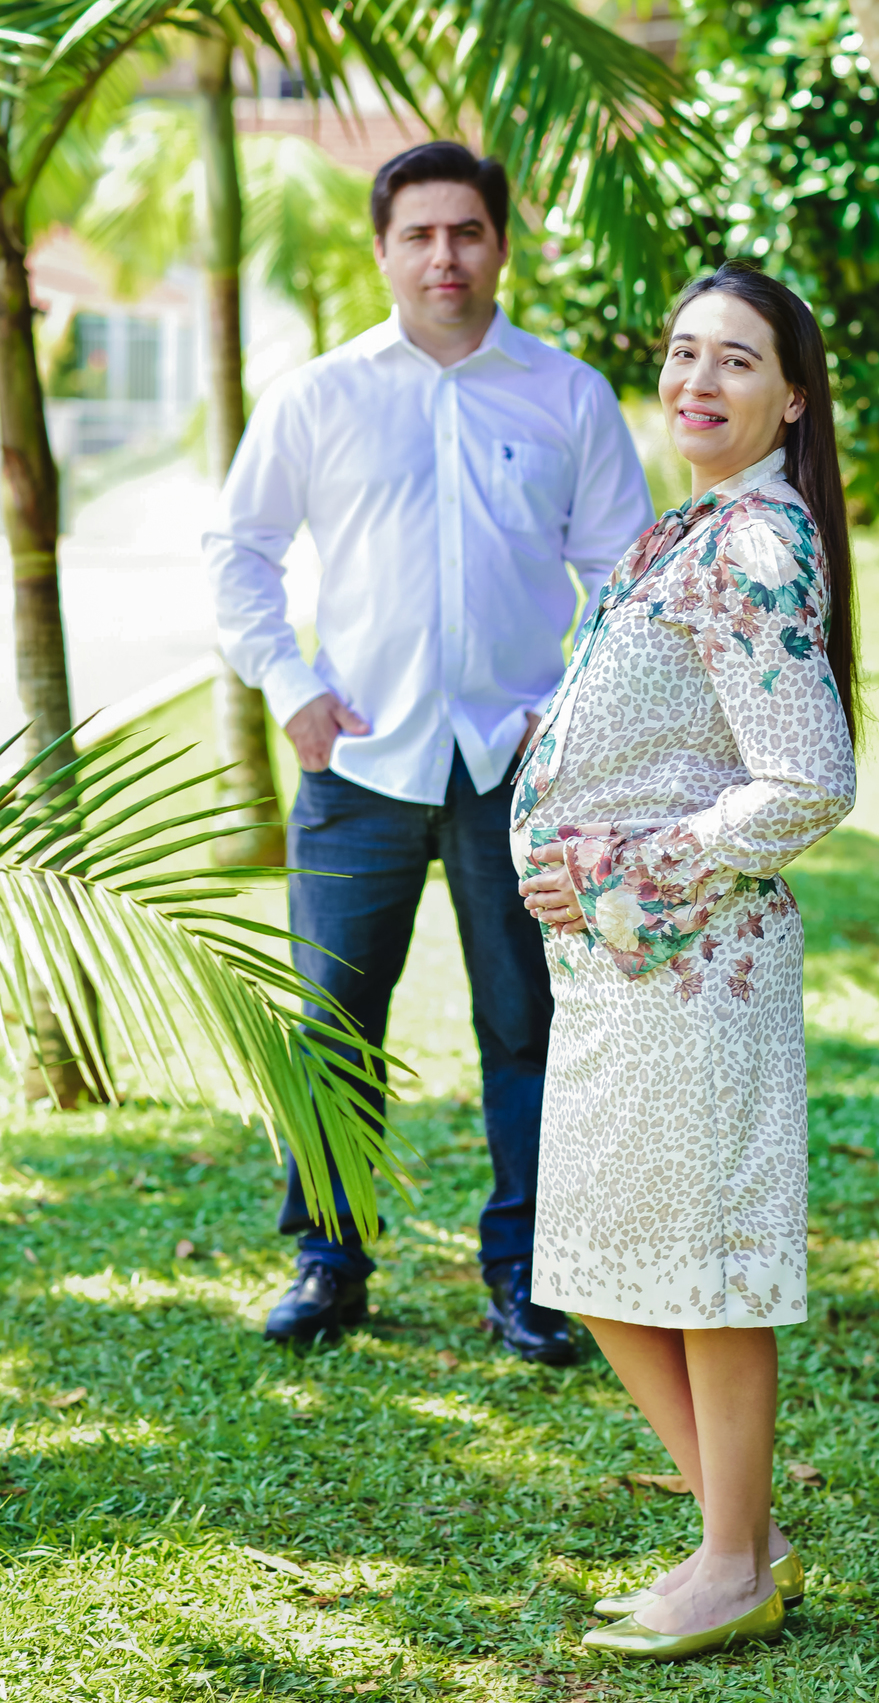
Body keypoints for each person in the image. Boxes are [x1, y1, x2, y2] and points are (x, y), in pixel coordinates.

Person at [203, 141, 652, 1359]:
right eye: (419, 234)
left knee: (527, 1025)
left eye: (466, 232)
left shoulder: (567, 395)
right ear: (384, 250)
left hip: (521, 770)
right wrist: (291, 686)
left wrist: (569, 710)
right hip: (358, 765)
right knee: (335, 1022)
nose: (444, 256)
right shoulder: (319, 396)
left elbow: (626, 575)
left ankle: (530, 1274)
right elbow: (238, 552)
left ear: (502, 245)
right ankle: (329, 1260)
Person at [513, 263, 858, 1658]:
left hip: (692, 965)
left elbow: (810, 781)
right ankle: (744, 1536)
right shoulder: (692, 528)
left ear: (793, 399)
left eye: (736, 359)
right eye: (682, 351)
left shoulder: (756, 542)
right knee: (604, 1261)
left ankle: (728, 1563)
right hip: (620, 978)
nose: (697, 380)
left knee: (703, 1274)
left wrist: (624, 866)